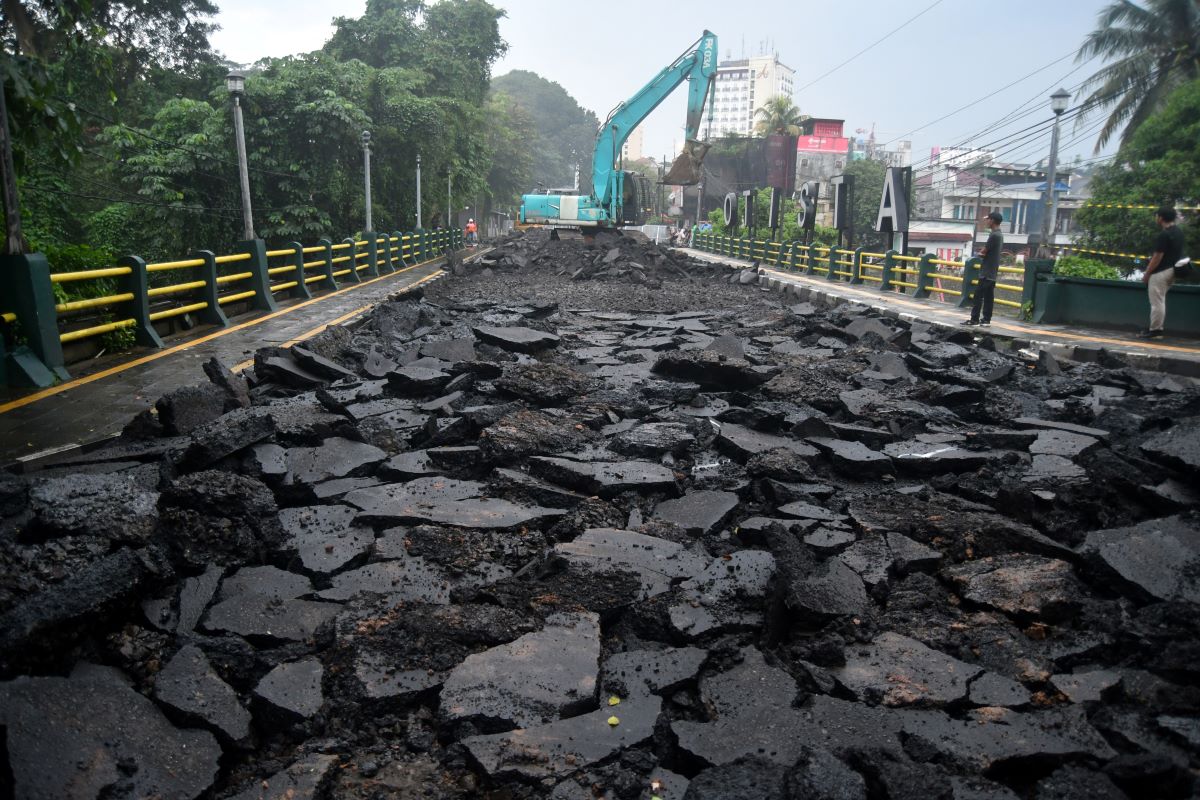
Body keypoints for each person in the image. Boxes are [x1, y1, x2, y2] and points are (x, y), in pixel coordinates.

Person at [1139, 206, 1185, 339]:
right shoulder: (1178, 232)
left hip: (1161, 272)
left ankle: (1156, 331)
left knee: (1157, 302)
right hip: (1173, 270)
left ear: (1161, 218)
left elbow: (1157, 257)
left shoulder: (1164, 235)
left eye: (1157, 216)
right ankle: (1155, 328)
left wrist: (1147, 273)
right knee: (1160, 300)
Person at [964, 211, 1004, 326]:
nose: (986, 222)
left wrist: (978, 253)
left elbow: (983, 252)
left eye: (988, 219)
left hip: (986, 272)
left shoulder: (994, 235)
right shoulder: (999, 235)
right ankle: (986, 319)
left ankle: (974, 319)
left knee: (978, 296)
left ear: (992, 221)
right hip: (992, 271)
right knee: (988, 297)